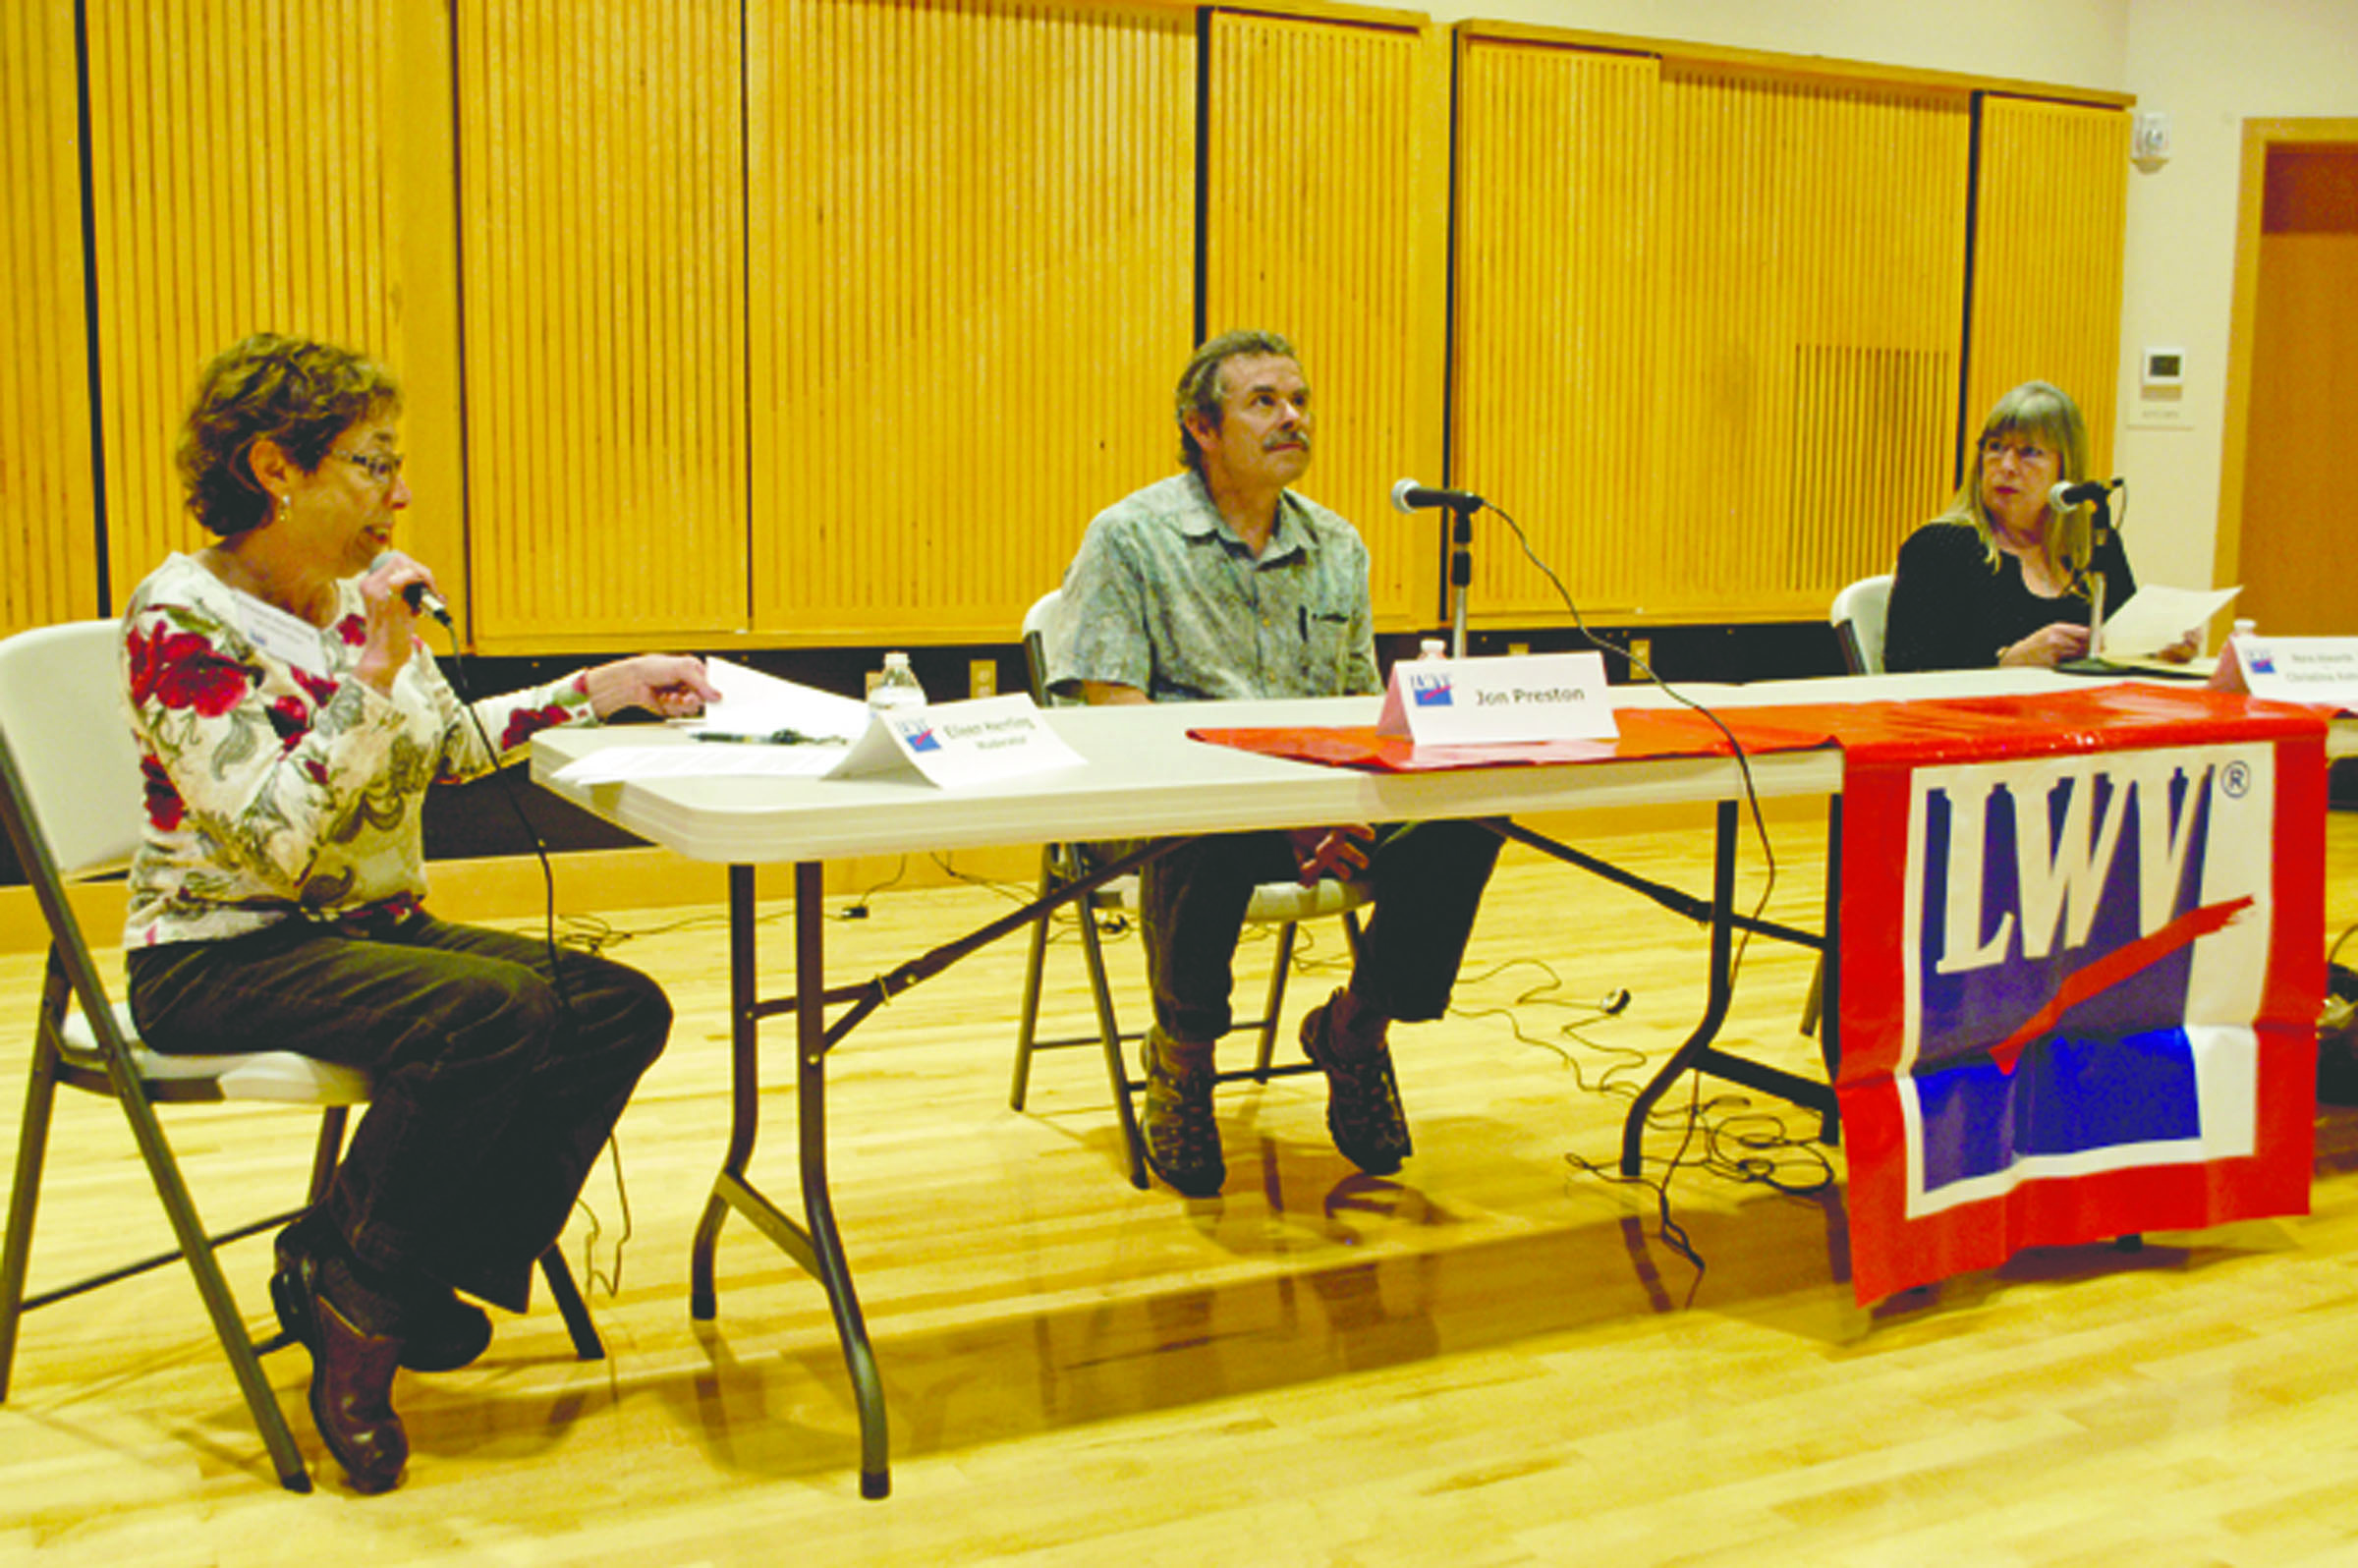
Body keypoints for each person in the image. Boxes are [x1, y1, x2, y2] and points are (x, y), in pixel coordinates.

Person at [121, 333, 720, 1493]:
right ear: (273, 468)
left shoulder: (354, 601)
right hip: (217, 948)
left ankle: (371, 1264)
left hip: (363, 937)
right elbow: (276, 844)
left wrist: (596, 689)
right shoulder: (181, 621)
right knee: (487, 1016)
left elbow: (443, 746)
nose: (398, 495)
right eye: (368, 465)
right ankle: (362, 1314)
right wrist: (372, 678)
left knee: (613, 1006)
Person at [1051, 328, 1500, 1198]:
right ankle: (1182, 1058)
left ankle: (1354, 1033)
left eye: (1298, 400)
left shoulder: (1339, 545)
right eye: (1264, 402)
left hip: (1322, 807)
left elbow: (1358, 711)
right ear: (1203, 428)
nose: (1293, 417)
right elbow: (1117, 715)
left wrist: (1343, 803)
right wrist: (1276, 806)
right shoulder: (1129, 538)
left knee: (1469, 812)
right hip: (1179, 806)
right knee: (1204, 830)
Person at [1884, 380, 2194, 673]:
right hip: (1982, 723)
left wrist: (2159, 649)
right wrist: (2008, 661)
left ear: (2065, 467)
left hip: (2081, 718)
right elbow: (1909, 669)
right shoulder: (1939, 548)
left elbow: (2121, 646)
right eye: (1995, 447)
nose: (2006, 466)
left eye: (2029, 452)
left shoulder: (2094, 545)